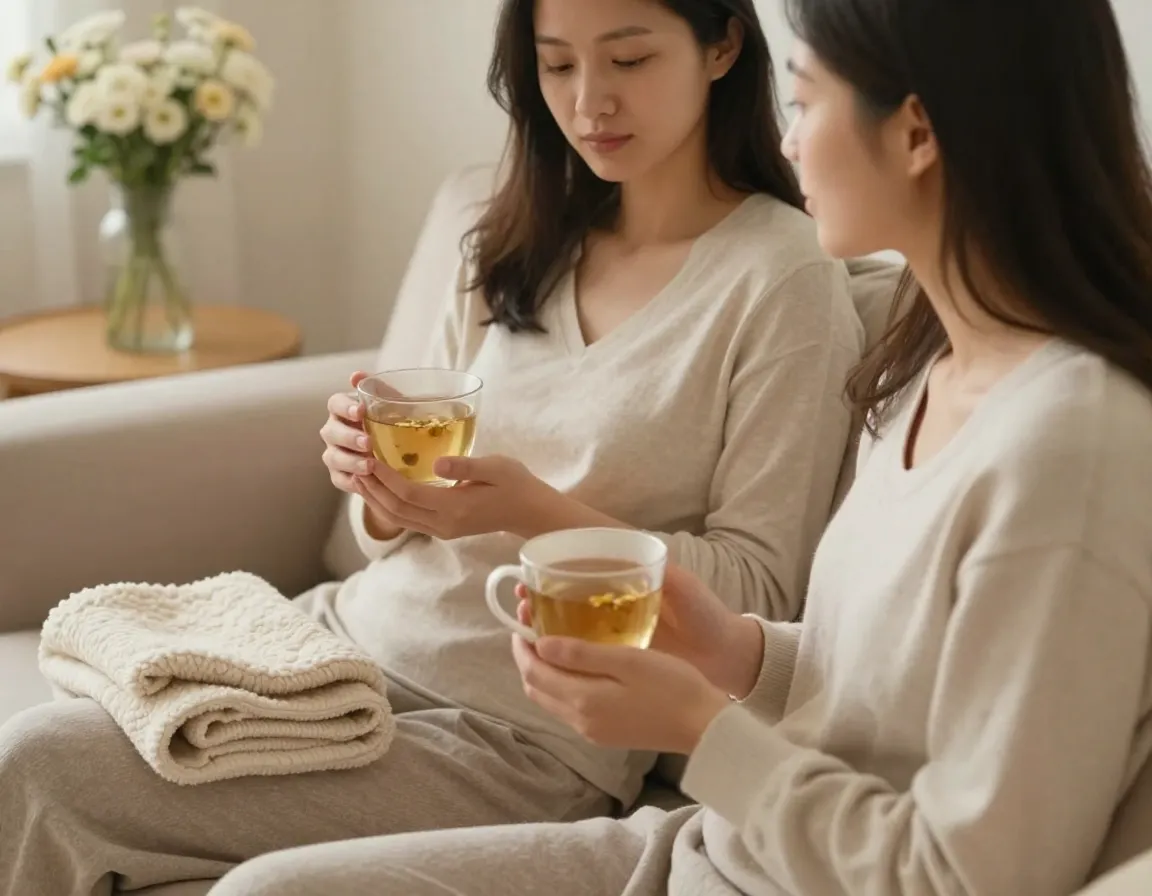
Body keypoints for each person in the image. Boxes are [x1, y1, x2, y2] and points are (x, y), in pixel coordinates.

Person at [205, 0, 1152, 894]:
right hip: (713, 852)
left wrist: (705, 733)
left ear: (914, 133)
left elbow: (970, 879)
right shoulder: (924, 372)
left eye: (808, 99)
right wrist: (736, 650)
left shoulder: (1068, 454)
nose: (786, 139)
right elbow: (876, 696)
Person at [0, 0, 863, 892]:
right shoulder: (525, 227)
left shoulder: (783, 275)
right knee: (23, 754)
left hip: (517, 735)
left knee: (45, 777)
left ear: (722, 45)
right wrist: (375, 486)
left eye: (630, 61)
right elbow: (393, 525)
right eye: (558, 66)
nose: (590, 102)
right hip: (340, 651)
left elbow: (760, 595)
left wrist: (531, 512)